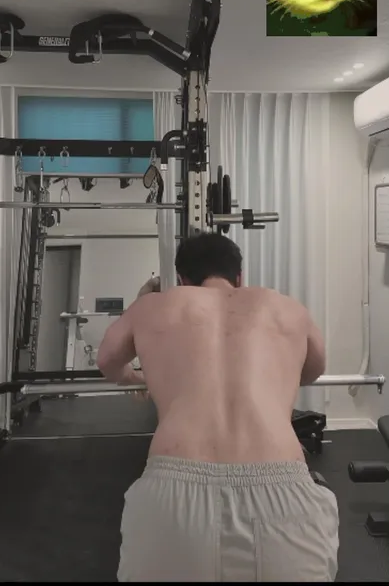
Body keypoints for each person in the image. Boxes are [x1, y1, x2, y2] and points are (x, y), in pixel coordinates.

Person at [97, 233, 339, 582]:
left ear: (182, 280)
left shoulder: (151, 306)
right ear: (239, 277)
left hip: (173, 492)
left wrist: (136, 377)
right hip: (281, 487)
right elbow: (313, 370)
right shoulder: (288, 309)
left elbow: (107, 362)